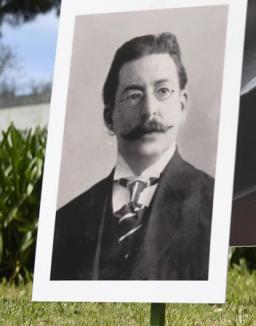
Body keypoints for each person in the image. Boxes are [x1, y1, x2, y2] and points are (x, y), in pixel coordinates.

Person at [51, 32, 213, 280]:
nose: (149, 111)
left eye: (163, 91)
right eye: (133, 95)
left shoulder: (214, 204)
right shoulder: (65, 221)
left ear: (181, 106)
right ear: (109, 117)